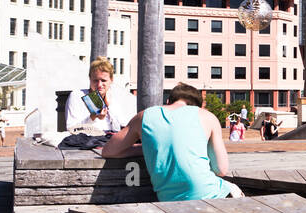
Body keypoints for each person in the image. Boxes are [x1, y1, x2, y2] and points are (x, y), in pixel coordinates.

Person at [101, 83, 242, 201]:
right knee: (236, 191)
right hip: (211, 194)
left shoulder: (144, 116)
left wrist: (147, 148)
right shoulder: (207, 116)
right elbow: (222, 169)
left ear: (168, 101)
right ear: (198, 106)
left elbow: (109, 150)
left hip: (169, 199)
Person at [65, 57, 131, 133]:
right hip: (87, 142)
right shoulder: (77, 96)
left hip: (109, 140)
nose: (99, 85)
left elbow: (122, 128)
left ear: (111, 80)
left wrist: (110, 108)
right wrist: (92, 118)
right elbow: (72, 129)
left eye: (103, 80)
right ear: (90, 79)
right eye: (95, 80)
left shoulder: (113, 100)